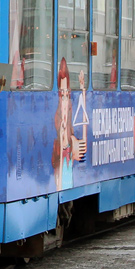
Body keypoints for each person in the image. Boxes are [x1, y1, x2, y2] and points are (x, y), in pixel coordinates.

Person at [51, 58, 87, 191]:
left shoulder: (71, 120)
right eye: (62, 95)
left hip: (67, 166)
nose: (65, 99)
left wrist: (83, 90)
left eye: (67, 94)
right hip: (62, 167)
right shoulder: (58, 121)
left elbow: (82, 142)